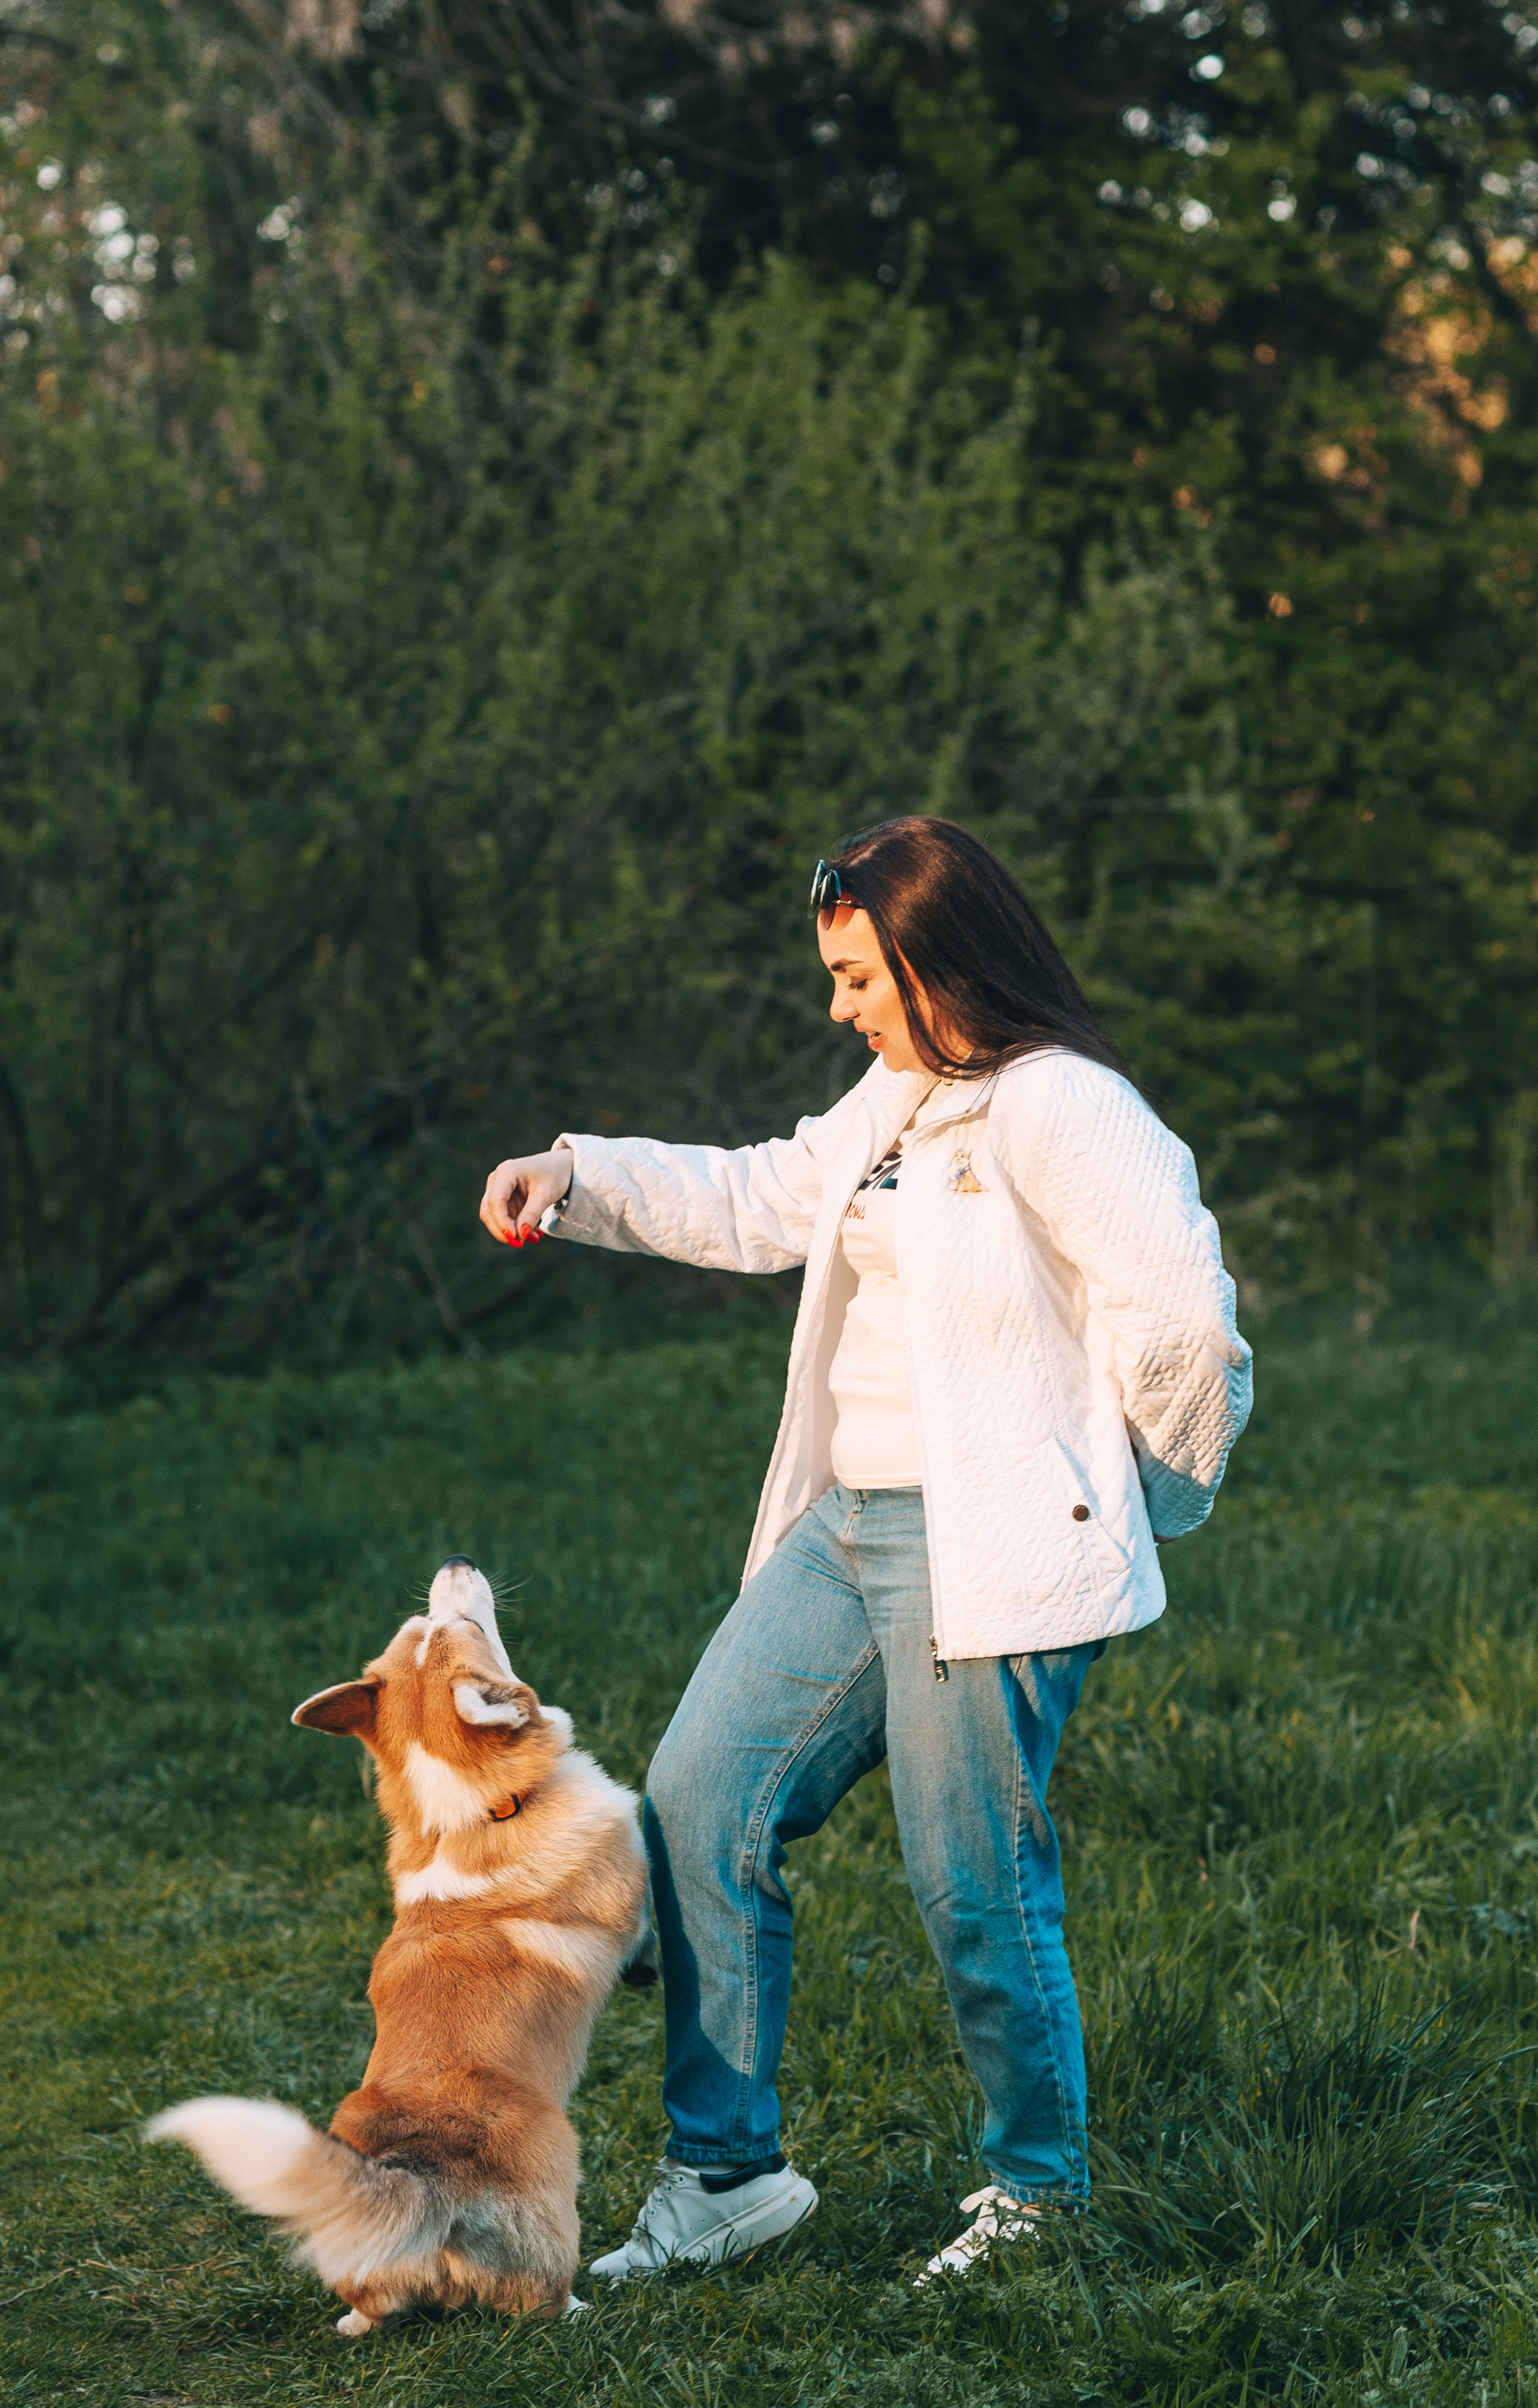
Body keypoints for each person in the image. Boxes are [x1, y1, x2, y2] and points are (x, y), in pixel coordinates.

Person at [478, 815, 1252, 2283]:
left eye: (854, 977)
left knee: (971, 1881)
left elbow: (1181, 1324)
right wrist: (572, 1175)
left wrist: (1118, 1503)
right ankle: (726, 2174)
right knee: (698, 1807)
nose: (837, 1008)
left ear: (936, 953)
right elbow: (766, 1193)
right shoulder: (898, 1093)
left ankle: (1037, 2196)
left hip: (992, 1550)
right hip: (846, 1528)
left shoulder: (1060, 1104)